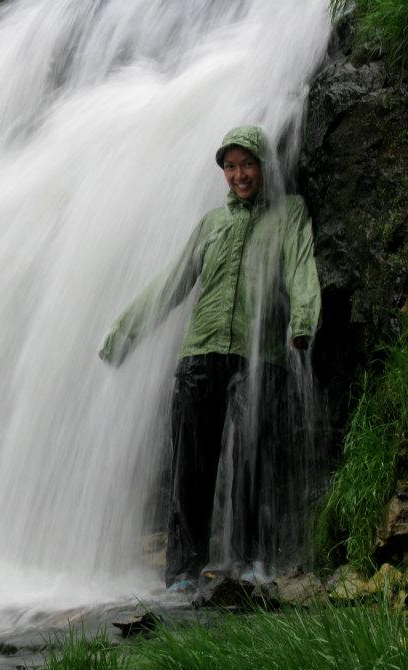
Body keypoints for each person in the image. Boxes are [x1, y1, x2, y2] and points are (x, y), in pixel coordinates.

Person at [99, 125, 321, 592]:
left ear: (263, 165)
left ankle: (252, 562)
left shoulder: (289, 214)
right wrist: (124, 334)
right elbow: (172, 282)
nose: (240, 175)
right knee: (191, 470)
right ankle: (183, 570)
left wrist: (302, 323)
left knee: (254, 459)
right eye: (231, 167)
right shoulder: (210, 225)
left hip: (258, 357)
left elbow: (302, 267)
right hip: (200, 356)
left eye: (248, 164)